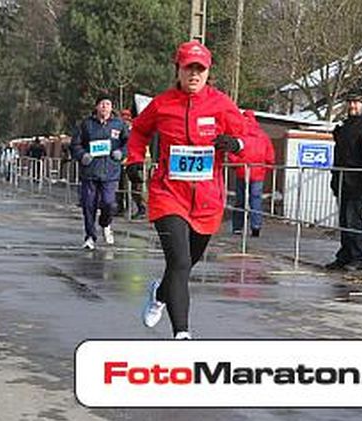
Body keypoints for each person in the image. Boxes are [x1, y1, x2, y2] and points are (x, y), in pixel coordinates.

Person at [127, 40, 247, 339]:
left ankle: (160, 293)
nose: (194, 75)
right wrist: (135, 159)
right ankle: (182, 334)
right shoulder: (162, 104)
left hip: (207, 200)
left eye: (200, 69)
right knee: (179, 261)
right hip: (168, 195)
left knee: (185, 264)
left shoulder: (221, 104)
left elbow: (249, 137)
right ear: (177, 70)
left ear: (207, 73)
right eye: (188, 68)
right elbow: (139, 131)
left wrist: (235, 143)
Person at [326, 88, 362, 272]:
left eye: (356, 102)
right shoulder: (349, 124)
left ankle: (358, 257)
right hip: (344, 179)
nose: (352, 105)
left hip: (358, 180)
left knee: (353, 220)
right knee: (345, 220)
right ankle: (346, 255)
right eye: (350, 102)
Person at [70, 93, 129, 250]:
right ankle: (90, 236)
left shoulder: (119, 124)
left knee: (109, 203)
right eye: (102, 104)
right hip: (90, 171)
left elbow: (128, 142)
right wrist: (82, 155)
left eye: (107, 104)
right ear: (96, 106)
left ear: (111, 107)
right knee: (88, 205)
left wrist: (121, 153)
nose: (104, 107)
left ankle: (105, 223)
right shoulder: (86, 124)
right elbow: (75, 144)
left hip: (110, 171)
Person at [231, 110, 275, 237]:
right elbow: (270, 155)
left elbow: (233, 152)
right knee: (256, 200)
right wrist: (268, 167)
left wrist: (236, 164)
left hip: (242, 170)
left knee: (240, 200)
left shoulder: (239, 135)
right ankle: (256, 226)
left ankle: (237, 227)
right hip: (258, 172)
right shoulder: (263, 136)